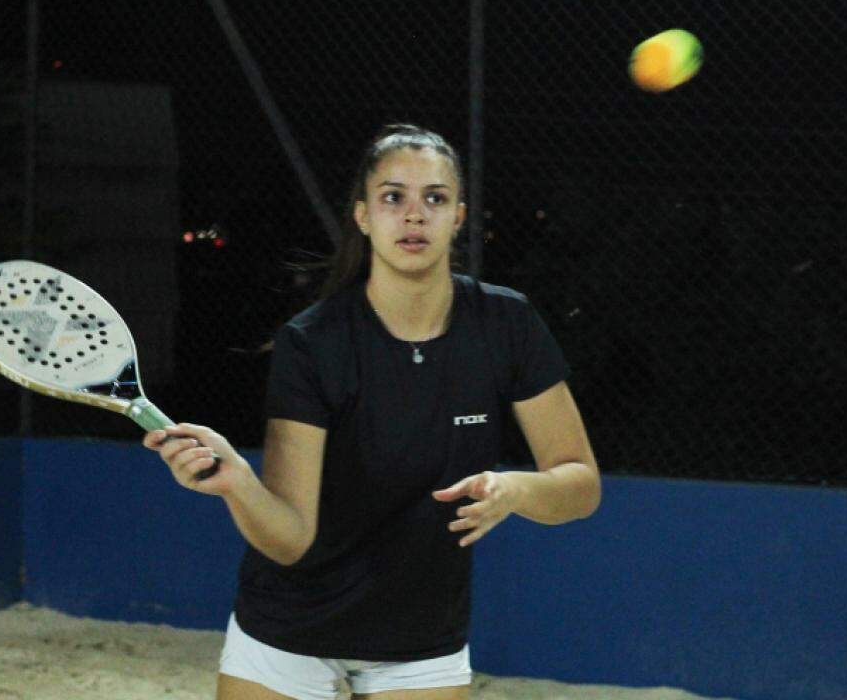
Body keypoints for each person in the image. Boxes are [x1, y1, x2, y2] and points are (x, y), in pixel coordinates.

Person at [143, 124, 601, 700]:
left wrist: (514, 491)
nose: (415, 216)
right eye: (393, 198)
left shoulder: (506, 325)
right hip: (289, 634)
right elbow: (290, 539)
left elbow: (580, 487)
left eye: (434, 199)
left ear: (458, 216)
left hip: (421, 640)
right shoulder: (313, 343)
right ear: (362, 216)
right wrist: (238, 484)